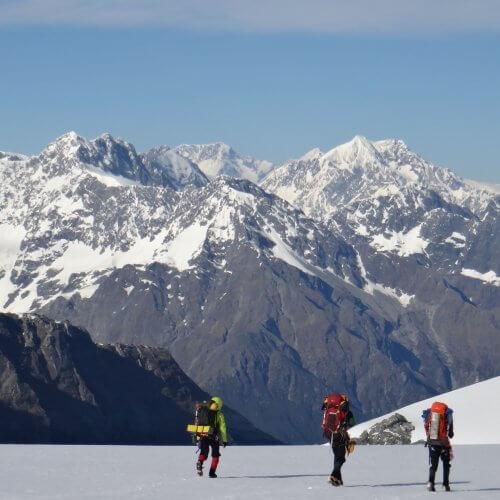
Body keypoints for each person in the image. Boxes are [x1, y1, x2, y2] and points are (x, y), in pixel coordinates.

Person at [321, 394, 356, 486]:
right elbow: (353, 423)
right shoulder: (346, 412)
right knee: (341, 457)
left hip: (329, 434)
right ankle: (333, 475)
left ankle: (338, 479)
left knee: (337, 455)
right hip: (339, 435)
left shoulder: (328, 409)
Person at [422, 401, 454, 492]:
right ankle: (445, 485)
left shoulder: (430, 413)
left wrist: (429, 435)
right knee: (446, 464)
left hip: (432, 442)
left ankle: (430, 483)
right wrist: (449, 433)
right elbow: (451, 433)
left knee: (433, 465)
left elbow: (426, 425)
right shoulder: (448, 413)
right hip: (444, 443)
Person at [196, 396, 227, 478]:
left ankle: (200, 461)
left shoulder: (203, 411)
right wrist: (224, 440)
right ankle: (212, 473)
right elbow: (223, 428)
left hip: (203, 434)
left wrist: (198, 438)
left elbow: (199, 424)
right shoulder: (219, 414)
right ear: (219, 405)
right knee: (215, 454)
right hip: (213, 436)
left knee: (203, 452)